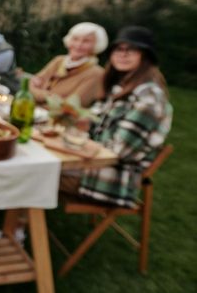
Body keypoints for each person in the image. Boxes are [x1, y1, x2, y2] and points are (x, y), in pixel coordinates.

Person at [60, 26, 172, 208]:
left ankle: (16, 230)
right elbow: (91, 124)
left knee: (36, 171)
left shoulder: (149, 98)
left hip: (108, 179)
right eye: (119, 49)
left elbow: (119, 151)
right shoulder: (119, 87)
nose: (123, 54)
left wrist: (79, 142)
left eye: (132, 50)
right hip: (91, 164)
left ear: (146, 57)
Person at [30, 22, 108, 107]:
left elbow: (71, 106)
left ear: (96, 45)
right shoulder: (59, 60)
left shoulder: (96, 73)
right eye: (75, 39)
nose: (78, 45)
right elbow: (29, 85)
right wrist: (50, 97)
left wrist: (39, 94)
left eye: (86, 41)